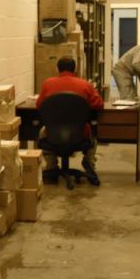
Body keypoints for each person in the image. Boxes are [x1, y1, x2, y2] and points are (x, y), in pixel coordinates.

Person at [36, 56, 104, 186]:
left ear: (58, 69)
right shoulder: (85, 85)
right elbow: (99, 104)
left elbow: (39, 104)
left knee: (41, 132)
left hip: (53, 134)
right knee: (93, 133)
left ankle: (51, 166)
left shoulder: (48, 83)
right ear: (75, 69)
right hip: (79, 134)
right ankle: (89, 164)